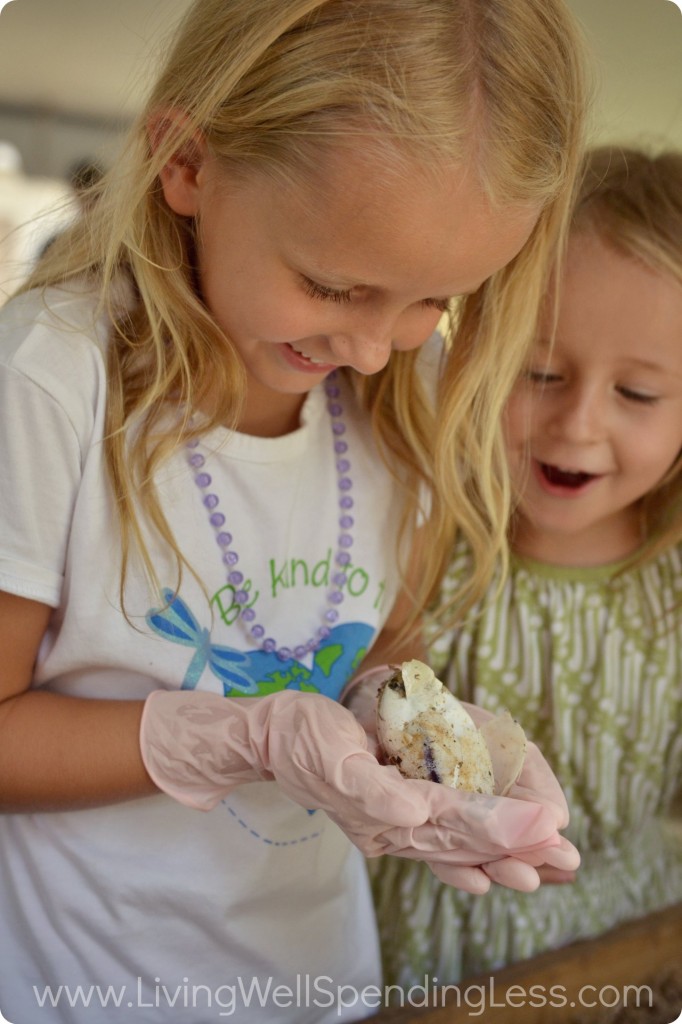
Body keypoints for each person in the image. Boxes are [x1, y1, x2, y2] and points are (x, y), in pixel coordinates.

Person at [0, 1, 588, 1021]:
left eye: (429, 302)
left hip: (321, 982)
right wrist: (238, 737)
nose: (372, 348)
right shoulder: (55, 378)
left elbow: (374, 648)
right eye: (331, 285)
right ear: (187, 164)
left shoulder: (404, 404)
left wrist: (415, 737)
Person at [371, 145, 682, 991]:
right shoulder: (425, 535)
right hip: (430, 951)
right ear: (471, 348)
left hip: (636, 950)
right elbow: (376, 692)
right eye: (539, 373)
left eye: (640, 394)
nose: (578, 423)